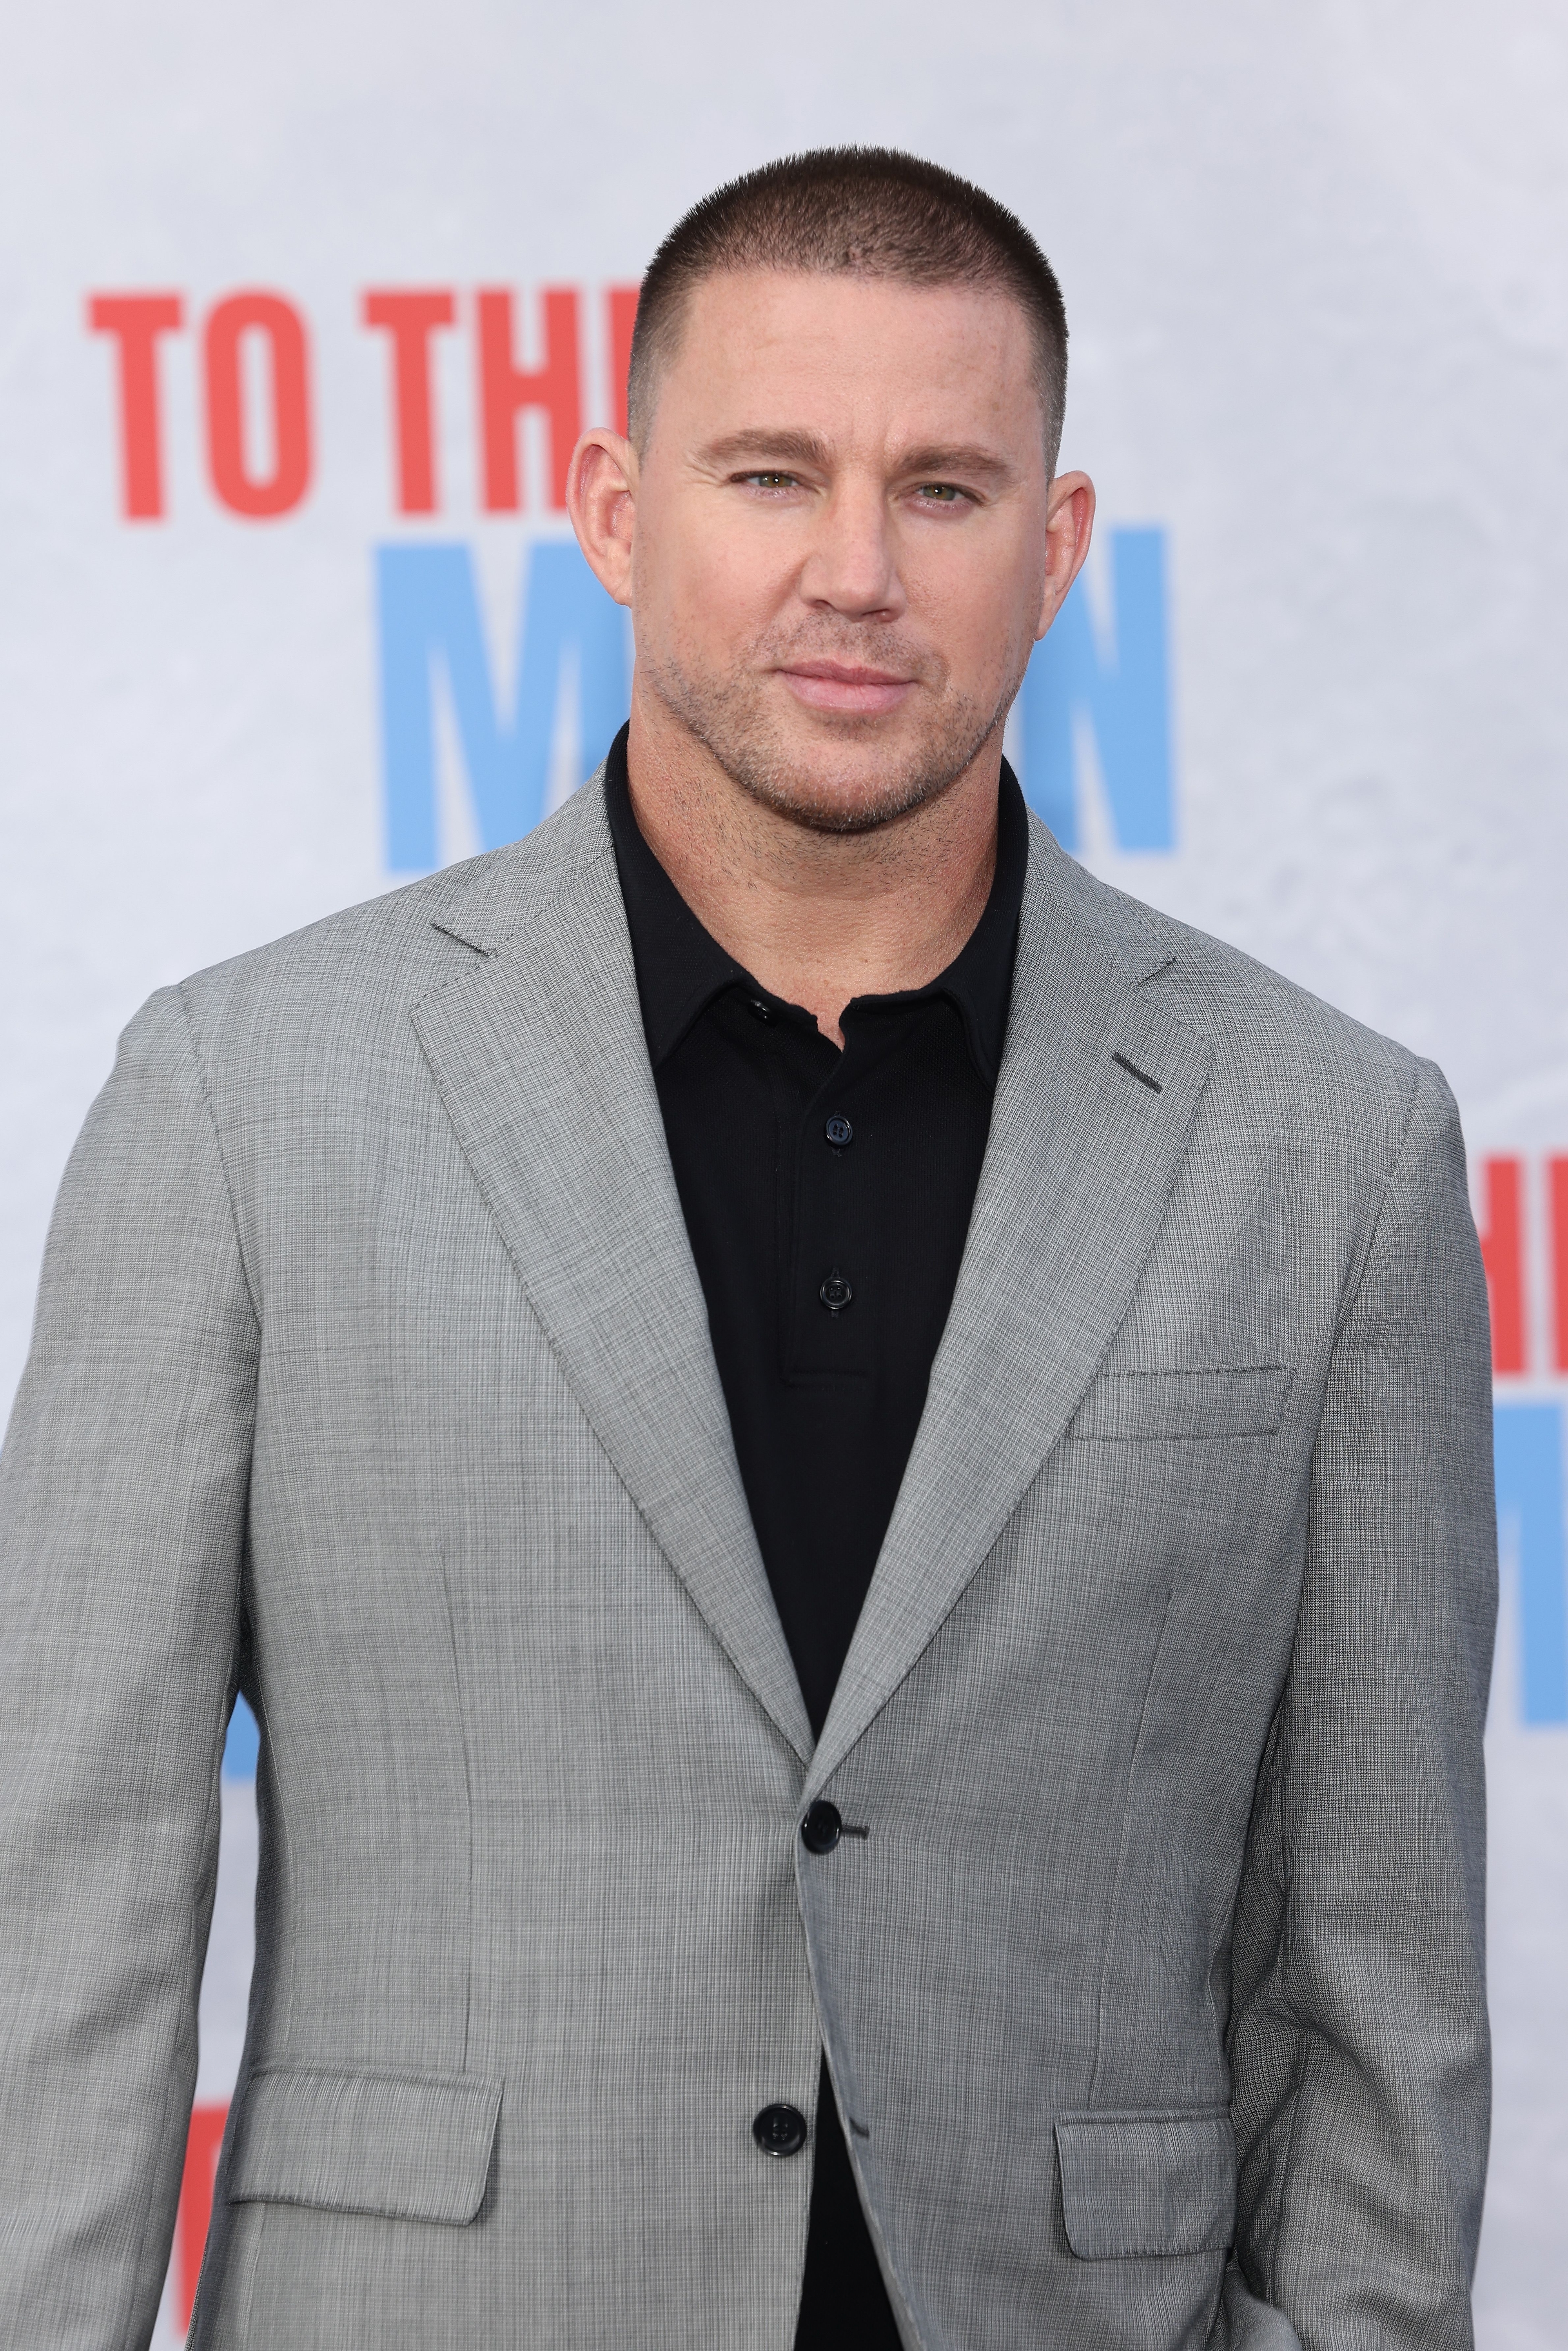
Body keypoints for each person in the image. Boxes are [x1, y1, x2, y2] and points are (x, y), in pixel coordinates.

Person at [0, 148, 1495, 2351]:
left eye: (949, 487)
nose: (858, 571)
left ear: (1061, 550)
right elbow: (71, 1920)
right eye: (773, 473)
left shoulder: (1330, 1149)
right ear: (616, 509)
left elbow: (1376, 1977)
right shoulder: (244, 1097)